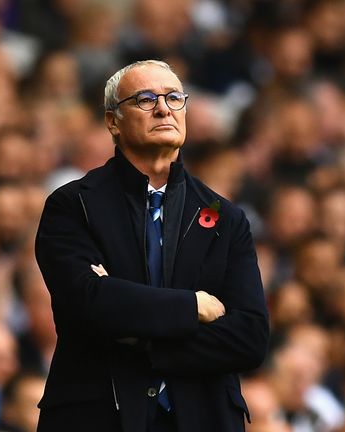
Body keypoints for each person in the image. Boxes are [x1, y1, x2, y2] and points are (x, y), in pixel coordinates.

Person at [34, 60, 269, 431]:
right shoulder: (73, 205)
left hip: (202, 417)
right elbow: (88, 303)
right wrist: (193, 306)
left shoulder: (226, 218)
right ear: (113, 121)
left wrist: (138, 333)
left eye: (174, 98)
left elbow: (249, 338)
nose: (163, 108)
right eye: (145, 99)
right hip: (97, 417)